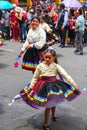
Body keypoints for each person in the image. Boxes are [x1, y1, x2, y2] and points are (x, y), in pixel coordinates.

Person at [19, 49, 80, 130]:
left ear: (54, 57)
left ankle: (54, 114)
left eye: (49, 57)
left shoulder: (56, 66)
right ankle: (46, 123)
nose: (47, 59)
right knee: (48, 105)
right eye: (46, 57)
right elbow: (35, 77)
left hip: (54, 86)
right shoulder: (40, 66)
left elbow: (65, 75)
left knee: (54, 100)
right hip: (43, 86)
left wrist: (73, 83)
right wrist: (31, 86)